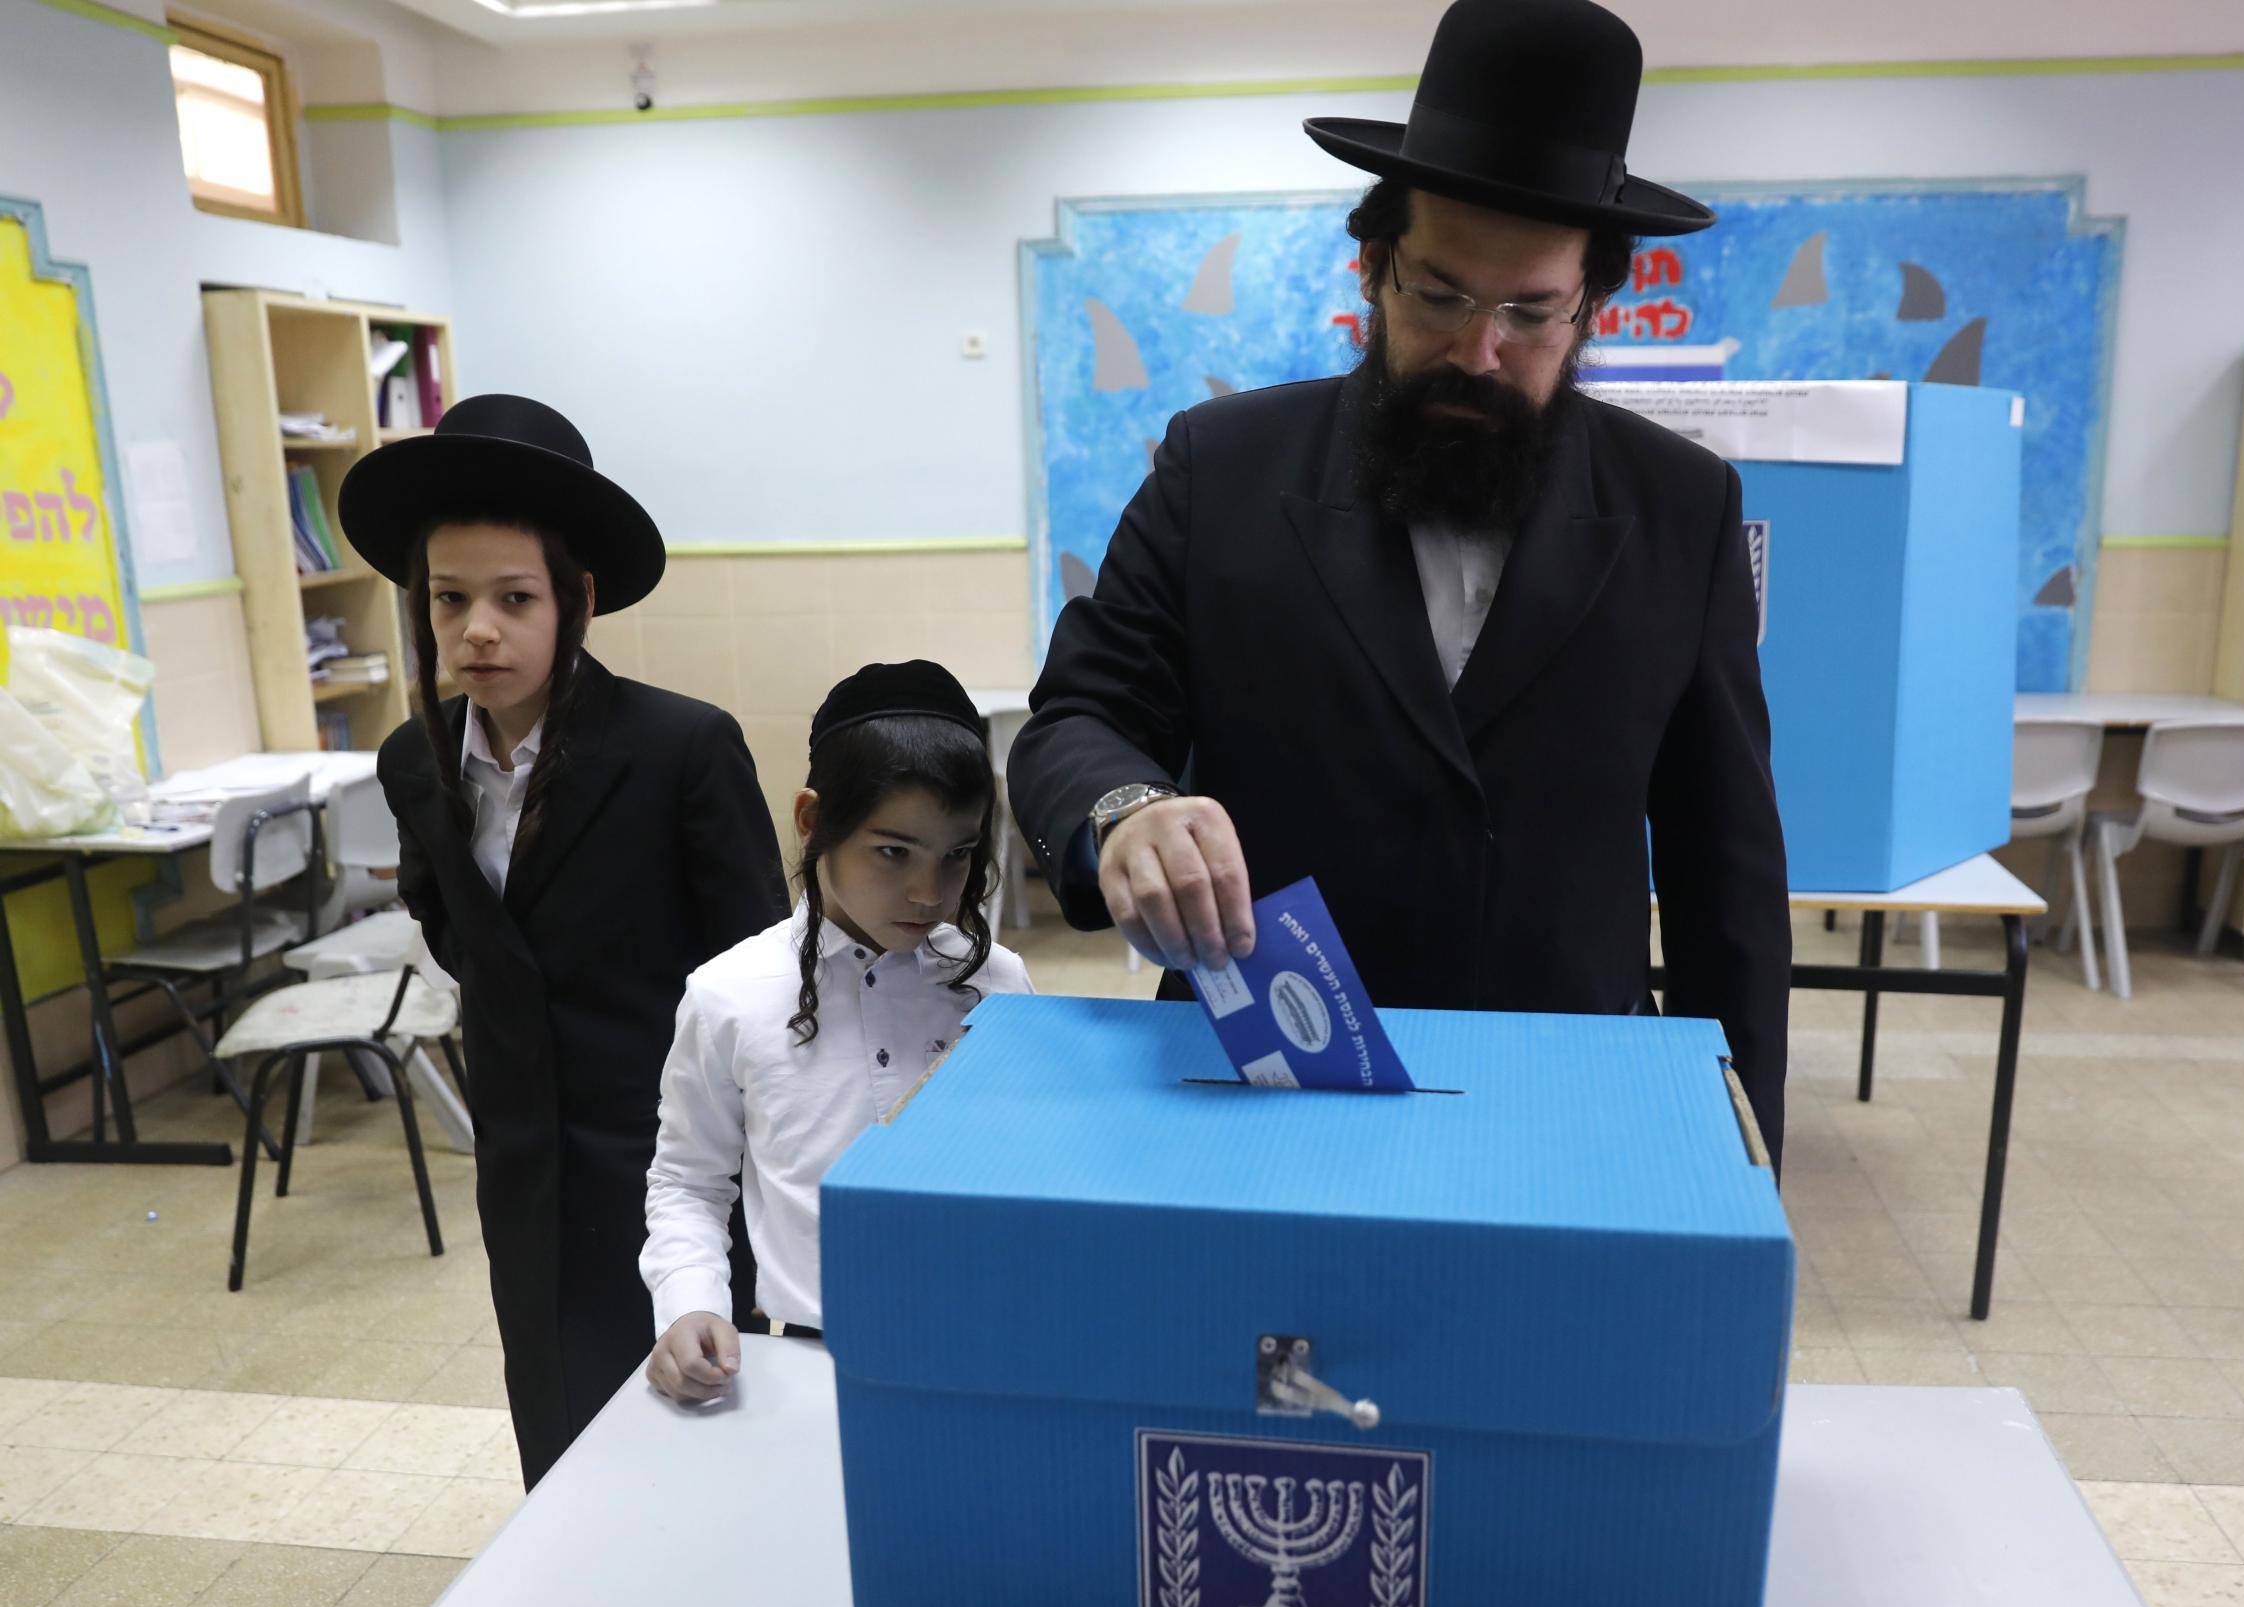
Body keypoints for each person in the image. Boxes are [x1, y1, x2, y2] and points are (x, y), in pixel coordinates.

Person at [1007, 0, 1790, 1162]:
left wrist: (1742, 1152)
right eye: (1438, 294)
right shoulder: (1220, 467)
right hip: (1261, 1078)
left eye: (1529, 312)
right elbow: (1080, 717)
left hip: (1560, 1093)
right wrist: (1126, 811)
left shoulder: (1681, 506)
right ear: (1372, 270)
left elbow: (1725, 865)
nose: (1479, 350)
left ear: (1590, 308)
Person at [348, 395, 789, 1487]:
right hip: (525, 1164)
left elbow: (757, 968)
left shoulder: (681, 747)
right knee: (553, 1414)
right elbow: (455, 926)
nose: (477, 631)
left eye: (513, 598)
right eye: (449, 601)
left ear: (578, 601)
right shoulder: (416, 760)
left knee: (693, 1420)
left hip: (672, 1158)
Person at [640, 663, 1035, 1401]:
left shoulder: (998, 982)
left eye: (957, 855)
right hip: (810, 1367)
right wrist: (689, 1300)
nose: (928, 891)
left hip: (984, 1349)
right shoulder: (729, 995)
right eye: (894, 851)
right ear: (812, 821)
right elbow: (688, 1181)